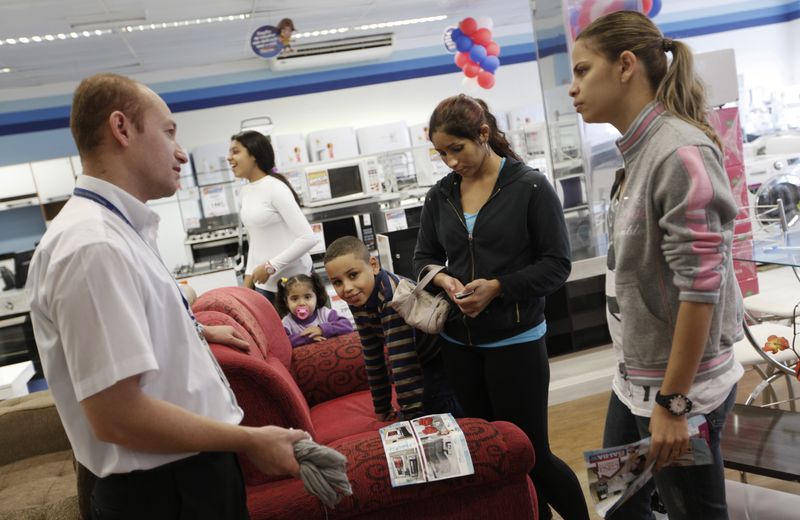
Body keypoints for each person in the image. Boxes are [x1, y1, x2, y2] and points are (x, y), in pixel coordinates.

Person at [26, 73, 309, 519]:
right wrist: (251, 439)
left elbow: (136, 323)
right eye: (169, 132)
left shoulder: (119, 231)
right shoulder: (91, 246)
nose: (181, 152)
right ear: (122, 129)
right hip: (163, 493)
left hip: (186, 476)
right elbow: (116, 415)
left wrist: (196, 329)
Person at [569, 10, 743, 520]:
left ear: (625, 65)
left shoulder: (678, 153)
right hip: (636, 384)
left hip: (679, 392)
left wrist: (674, 403)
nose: (574, 88)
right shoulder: (639, 152)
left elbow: (700, 287)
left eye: (582, 71)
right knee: (620, 507)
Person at [413, 94, 589, 520]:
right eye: (442, 153)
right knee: (492, 456)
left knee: (532, 455)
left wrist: (498, 287)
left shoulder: (529, 187)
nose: (451, 161)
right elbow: (423, 258)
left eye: (458, 149)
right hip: (460, 343)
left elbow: (556, 265)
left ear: (484, 134)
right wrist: (443, 278)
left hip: (517, 342)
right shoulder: (442, 195)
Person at [323, 236, 462, 421]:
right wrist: (382, 407)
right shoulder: (358, 297)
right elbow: (372, 354)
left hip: (440, 356)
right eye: (337, 282)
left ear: (373, 265)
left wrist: (411, 418)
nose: (347, 288)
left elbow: (403, 362)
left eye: (353, 275)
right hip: (418, 356)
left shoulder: (391, 299)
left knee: (440, 407)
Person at [227, 130, 319, 304]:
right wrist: (247, 283)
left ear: (254, 155)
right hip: (266, 287)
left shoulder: (275, 188)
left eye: (235, 151)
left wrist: (270, 266)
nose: (229, 157)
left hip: (297, 287)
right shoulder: (245, 192)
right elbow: (255, 240)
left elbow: (308, 238)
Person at [276, 273, 354, 347]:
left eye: (307, 297)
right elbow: (282, 342)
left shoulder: (325, 313)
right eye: (294, 299)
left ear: (316, 297)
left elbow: (347, 326)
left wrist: (322, 329)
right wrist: (307, 338)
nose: (301, 303)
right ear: (286, 301)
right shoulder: (287, 323)